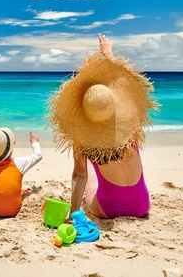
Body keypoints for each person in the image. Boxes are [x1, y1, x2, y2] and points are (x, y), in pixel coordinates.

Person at [48, 34, 158, 219]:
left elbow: (79, 177)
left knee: (88, 169)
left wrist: (73, 215)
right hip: (142, 206)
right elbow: (123, 77)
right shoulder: (131, 128)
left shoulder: (83, 141)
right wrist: (109, 55)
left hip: (107, 209)